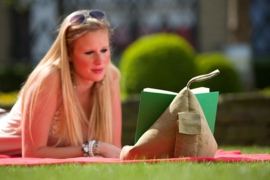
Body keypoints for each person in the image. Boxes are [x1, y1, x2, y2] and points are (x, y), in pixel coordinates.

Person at [0, 9, 122, 158]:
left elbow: (114, 150)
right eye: (89, 52)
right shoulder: (50, 78)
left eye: (104, 50)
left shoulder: (111, 76)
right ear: (69, 54)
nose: (100, 61)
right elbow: (32, 153)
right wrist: (96, 148)